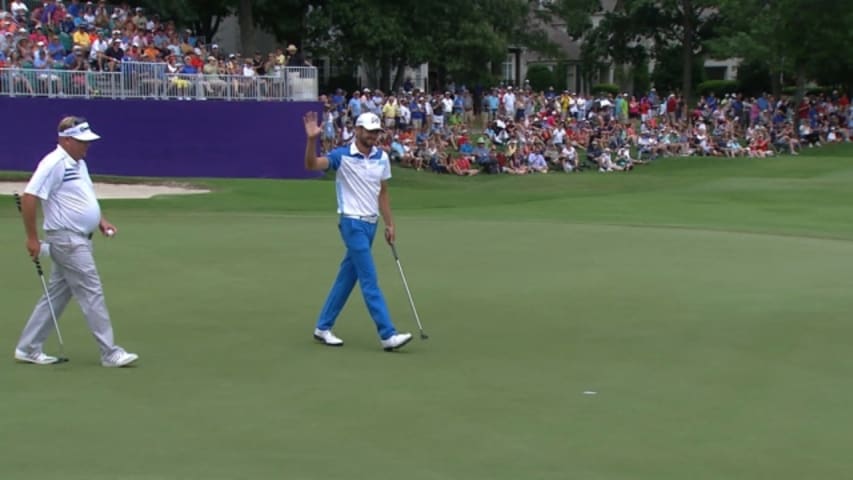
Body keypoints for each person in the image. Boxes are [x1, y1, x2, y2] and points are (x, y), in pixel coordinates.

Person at [14, 116, 139, 367]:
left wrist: (100, 220)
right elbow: (29, 197)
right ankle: (109, 352)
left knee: (57, 295)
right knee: (92, 292)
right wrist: (31, 238)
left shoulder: (78, 162)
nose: (87, 146)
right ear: (67, 140)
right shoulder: (54, 163)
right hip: (68, 240)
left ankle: (28, 347)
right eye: (82, 141)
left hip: (78, 237)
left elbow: (84, 196)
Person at [303, 111, 413, 351]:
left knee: (347, 278)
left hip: (371, 225)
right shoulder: (342, 156)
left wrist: (390, 224)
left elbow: (382, 192)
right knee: (369, 279)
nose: (374, 136)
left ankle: (323, 327)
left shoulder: (381, 158)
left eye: (376, 132)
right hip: (352, 223)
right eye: (369, 131)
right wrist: (312, 140)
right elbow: (311, 165)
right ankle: (387, 334)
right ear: (358, 130)